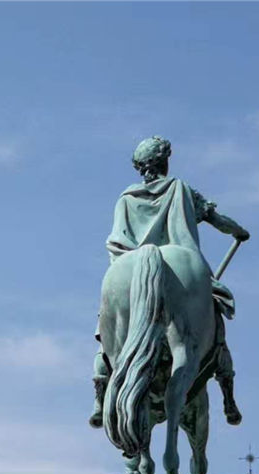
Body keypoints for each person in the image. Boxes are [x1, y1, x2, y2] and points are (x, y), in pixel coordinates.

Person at [89, 136, 249, 428]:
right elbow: (218, 220)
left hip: (127, 265)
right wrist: (239, 231)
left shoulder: (125, 198)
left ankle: (100, 395)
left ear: (140, 167)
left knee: (106, 326)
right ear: (165, 162)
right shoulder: (180, 188)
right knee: (214, 313)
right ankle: (229, 397)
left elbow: (118, 238)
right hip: (180, 269)